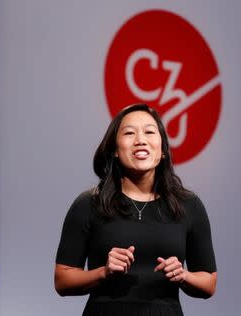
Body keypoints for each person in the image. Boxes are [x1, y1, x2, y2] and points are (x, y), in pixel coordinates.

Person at [54, 103, 217, 315]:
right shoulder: (89, 203)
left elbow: (209, 282)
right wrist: (103, 272)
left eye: (149, 132)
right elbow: (62, 279)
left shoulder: (188, 205)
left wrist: (184, 275)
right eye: (129, 133)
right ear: (114, 149)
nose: (140, 140)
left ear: (163, 150)